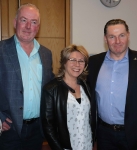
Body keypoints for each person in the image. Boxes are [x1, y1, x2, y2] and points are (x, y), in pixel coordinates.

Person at [87, 19, 137, 150]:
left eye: (121, 35)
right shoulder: (93, 62)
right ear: (105, 39)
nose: (117, 41)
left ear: (128, 35)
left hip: (134, 134)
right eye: (112, 37)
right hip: (104, 134)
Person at [0, 3, 54, 150]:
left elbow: (51, 87)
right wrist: (0, 117)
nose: (28, 26)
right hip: (9, 129)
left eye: (34, 22)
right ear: (15, 22)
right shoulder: (1, 50)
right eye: (24, 20)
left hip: (37, 130)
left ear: (38, 26)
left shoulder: (46, 54)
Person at [41, 44, 93, 150]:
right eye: (72, 60)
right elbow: (48, 127)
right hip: (65, 147)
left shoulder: (87, 86)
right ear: (64, 62)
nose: (77, 64)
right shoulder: (51, 89)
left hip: (87, 144)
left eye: (81, 61)